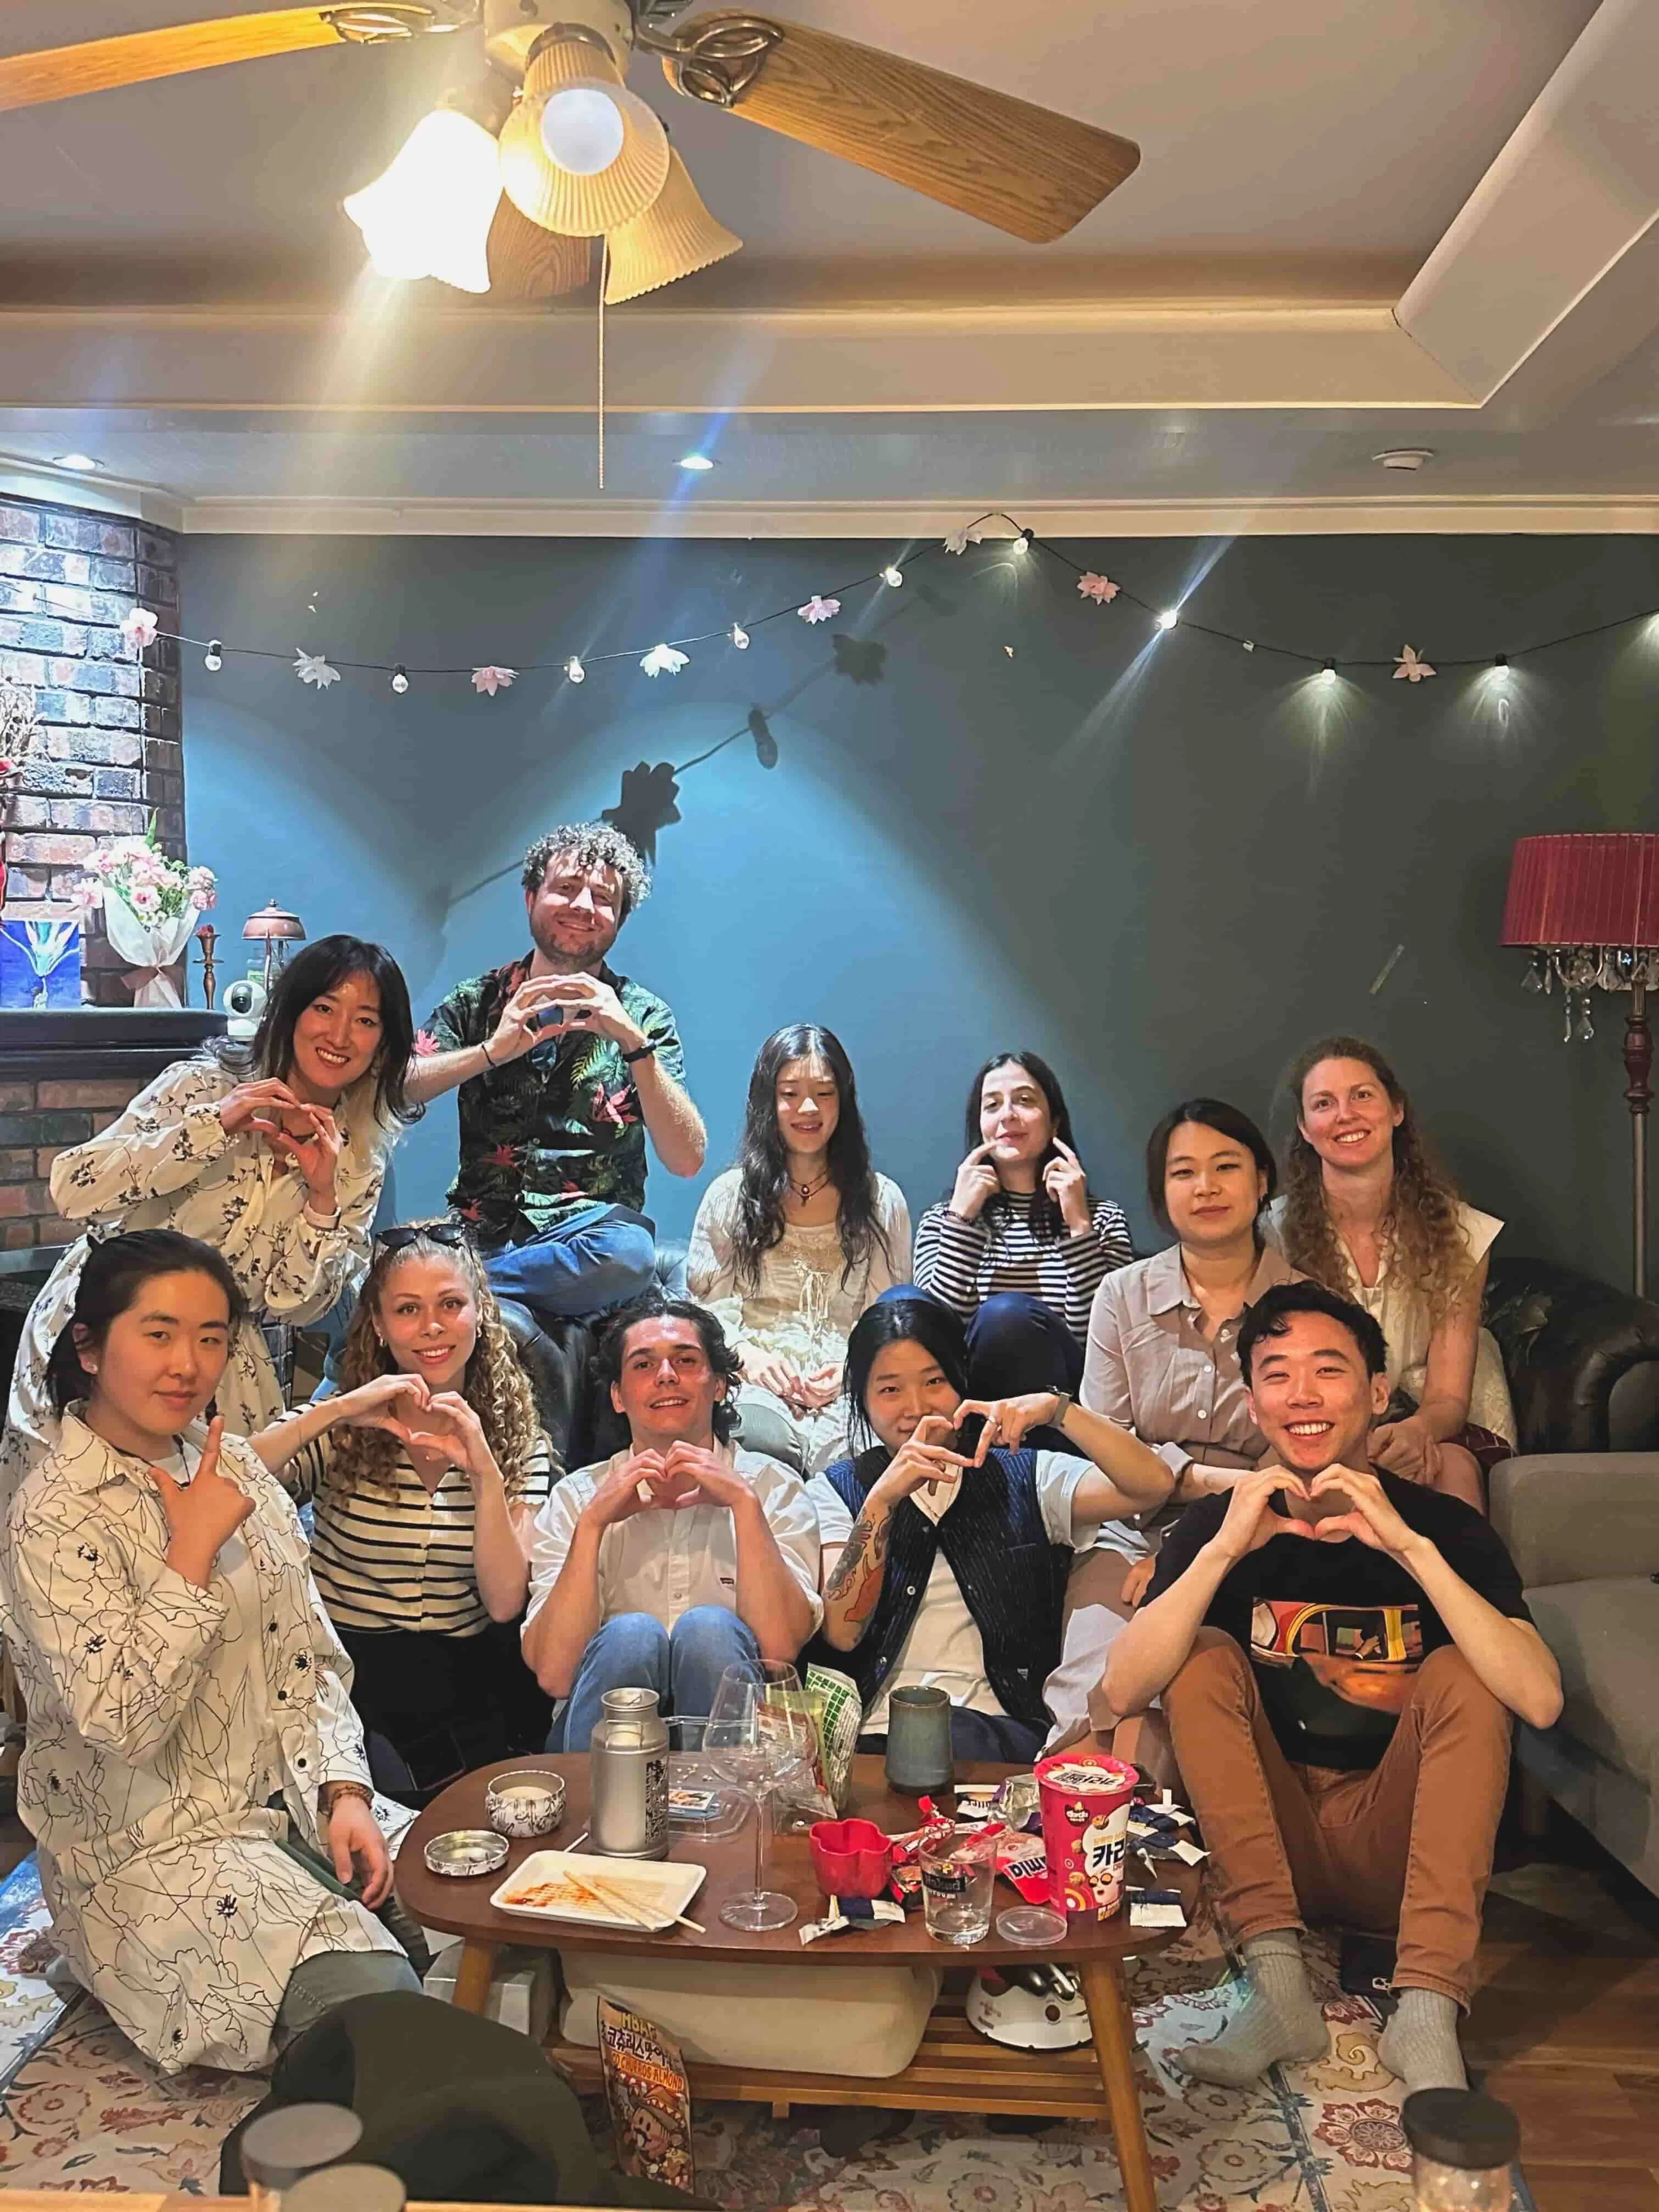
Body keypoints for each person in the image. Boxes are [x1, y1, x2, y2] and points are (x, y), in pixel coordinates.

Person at [1103, 1280, 1561, 2097]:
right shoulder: (1224, 1525)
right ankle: (1278, 1989)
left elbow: (1540, 1699)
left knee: (1470, 1671)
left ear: (1378, 1394)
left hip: (1400, 1849)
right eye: (1277, 1375)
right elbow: (1125, 1686)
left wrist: (1411, 1550)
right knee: (1200, 1655)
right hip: (1267, 1849)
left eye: (1329, 1371)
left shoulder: (1444, 1528)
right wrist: (1220, 1556)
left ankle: (1425, 2011)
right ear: (1253, 1403)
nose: (1302, 1397)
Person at [0, 1230, 421, 2075]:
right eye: (157, 1333)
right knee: (384, 2009)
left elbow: (313, 1660)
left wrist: (344, 1791)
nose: (186, 1364)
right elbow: (119, 1723)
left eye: (210, 1337)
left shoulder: (230, 1466)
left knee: (499, 1922)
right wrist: (188, 1555)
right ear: (87, 1346)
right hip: (151, 1851)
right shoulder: (50, 1515)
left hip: (294, 1802)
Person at [2, 935, 416, 1500]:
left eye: (366, 1020)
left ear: (385, 1045)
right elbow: (73, 1189)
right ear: (290, 1012)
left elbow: (295, 1307)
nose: (340, 1036)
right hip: (103, 1334)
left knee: (211, 1534)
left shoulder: (359, 1158)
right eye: (324, 1008)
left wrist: (322, 1202)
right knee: (70, 1529)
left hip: (214, 1358)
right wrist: (212, 1128)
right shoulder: (200, 1087)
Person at [250, 1221, 554, 1802]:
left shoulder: (519, 1438)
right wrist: (335, 1411)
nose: (433, 1327)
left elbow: (505, 1601)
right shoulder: (347, 1420)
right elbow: (234, 1476)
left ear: (479, 1316)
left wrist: (485, 1473)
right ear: (382, 1328)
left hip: (463, 1681)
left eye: (451, 1305)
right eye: (408, 1309)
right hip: (346, 1677)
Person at [810, 1296, 1174, 1762]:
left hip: (1002, 1738)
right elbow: (843, 1632)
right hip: (876, 1741)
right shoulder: (838, 1491)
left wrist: (1060, 1410)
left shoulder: (1025, 1475)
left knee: (950, 1732)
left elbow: (1152, 1485)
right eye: (889, 1390)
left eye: (934, 1381)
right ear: (862, 1399)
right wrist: (881, 1502)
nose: (917, 1407)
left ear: (961, 1380)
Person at [1048, 1101, 1301, 1742]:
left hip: (1261, 1533)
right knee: (1093, 1686)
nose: (1207, 1187)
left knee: (1204, 1695)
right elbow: (1108, 1443)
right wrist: (1172, 1518)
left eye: (1226, 1167)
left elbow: (1297, 1454)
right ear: (1163, 1193)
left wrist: (1190, 1540)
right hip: (1128, 1530)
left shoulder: (1308, 1307)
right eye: (1184, 1172)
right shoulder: (1122, 1295)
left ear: (1263, 1180)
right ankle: (1075, 1827)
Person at [407, 823, 705, 1330]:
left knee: (631, 1254)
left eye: (604, 897)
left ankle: (463, 1287)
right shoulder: (478, 1000)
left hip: (588, 1236)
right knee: (390, 1288)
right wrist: (490, 1051)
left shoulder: (644, 1015)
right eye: (566, 888)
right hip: (483, 1225)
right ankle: (457, 1286)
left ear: (619, 920)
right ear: (530, 897)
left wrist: (633, 1044)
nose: (584, 906)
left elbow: (687, 1159)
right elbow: (399, 1085)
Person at [522, 1292, 820, 1749]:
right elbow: (555, 1674)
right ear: (618, 1396)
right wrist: (593, 1525)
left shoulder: (771, 1487)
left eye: (685, 1360)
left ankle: (728, 1815)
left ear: (719, 1384)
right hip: (598, 1749)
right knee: (631, 1634)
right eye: (643, 1365)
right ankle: (603, 1815)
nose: (666, 1375)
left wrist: (744, 1505)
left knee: (709, 1629)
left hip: (744, 1752)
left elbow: (779, 1652)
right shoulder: (577, 1497)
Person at [1271, 1035, 1513, 1511]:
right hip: (1321, 1422)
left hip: (1430, 1421)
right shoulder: (1272, 1235)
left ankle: (1464, 1587)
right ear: (1304, 1127)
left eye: (1362, 1095)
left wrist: (1416, 1432)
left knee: (1451, 1467)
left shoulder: (1463, 1233)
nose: (1345, 1114)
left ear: (1396, 1109)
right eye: (1324, 1103)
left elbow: (1447, 1395)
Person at [687, 1023, 910, 1473]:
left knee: (855, 1458)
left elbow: (887, 1314)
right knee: (759, 1442)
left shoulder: (882, 1200)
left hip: (850, 1381)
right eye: (790, 1093)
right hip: (754, 1379)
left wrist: (851, 1368)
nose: (808, 1108)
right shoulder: (729, 1195)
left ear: (843, 1102)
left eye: (824, 1093)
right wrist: (750, 1359)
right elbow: (708, 1311)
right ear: (768, 1101)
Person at [912, 1051, 1131, 1408]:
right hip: (969, 1407)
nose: (1008, 1116)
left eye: (1025, 1101)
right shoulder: (943, 1221)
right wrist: (963, 1222)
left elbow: (1101, 1345)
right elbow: (934, 1344)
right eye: (993, 1105)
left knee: (1007, 1315)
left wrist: (1078, 1226)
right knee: (901, 1306)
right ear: (980, 1125)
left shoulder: (1103, 1220)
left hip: (1066, 1409)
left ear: (1054, 1122)